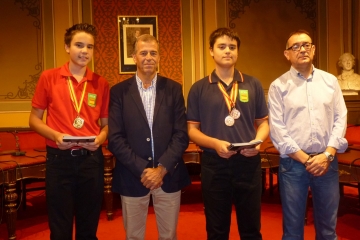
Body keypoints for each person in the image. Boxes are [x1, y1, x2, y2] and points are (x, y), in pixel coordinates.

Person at [187, 27, 269, 240]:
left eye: (232, 47)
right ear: (211, 51)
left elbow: (264, 123)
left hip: (248, 162)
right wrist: (214, 144)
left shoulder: (253, 84)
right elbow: (192, 131)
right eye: (221, 47)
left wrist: (258, 142)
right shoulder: (199, 88)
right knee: (216, 229)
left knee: (251, 228)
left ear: (238, 52)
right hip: (214, 163)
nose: (227, 51)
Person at [29, 23, 109, 240]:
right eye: (79, 45)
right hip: (59, 159)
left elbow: (106, 124)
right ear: (67, 47)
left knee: (89, 223)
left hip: (91, 160)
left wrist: (101, 138)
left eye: (90, 47)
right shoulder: (49, 77)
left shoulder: (101, 83)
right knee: (60, 225)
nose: (85, 51)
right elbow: (34, 120)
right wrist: (55, 135)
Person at [108, 34, 191, 240]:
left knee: (169, 236)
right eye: (143, 53)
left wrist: (161, 169)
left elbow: (181, 134)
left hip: (168, 176)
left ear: (159, 57)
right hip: (132, 176)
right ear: (134, 57)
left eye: (153, 53)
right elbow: (115, 138)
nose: (148, 57)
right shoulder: (118, 92)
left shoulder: (173, 89)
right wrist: (143, 170)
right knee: (134, 237)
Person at [268, 29, 348, 240]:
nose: (302, 49)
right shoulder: (278, 86)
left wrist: (327, 155)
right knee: (293, 232)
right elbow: (277, 129)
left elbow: (341, 118)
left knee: (328, 230)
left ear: (313, 50)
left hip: (327, 163)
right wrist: (307, 160)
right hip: (294, 165)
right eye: (296, 46)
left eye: (306, 45)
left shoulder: (330, 81)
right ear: (287, 54)